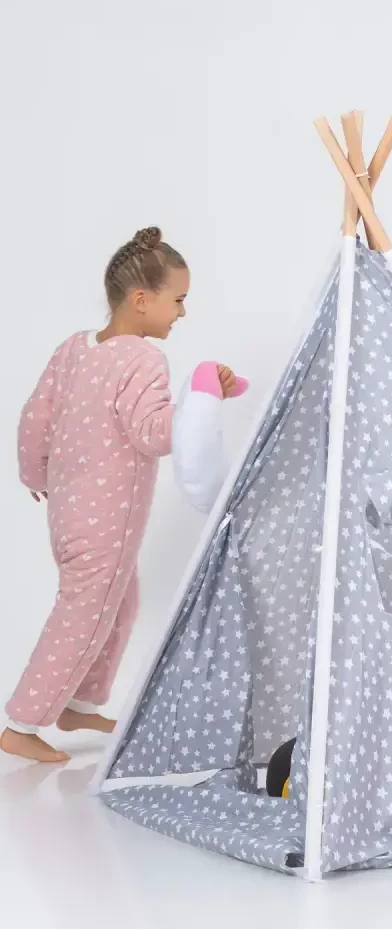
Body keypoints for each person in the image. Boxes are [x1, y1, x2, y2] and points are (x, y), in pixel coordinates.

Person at [2, 227, 239, 765]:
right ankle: (22, 722)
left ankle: (80, 704)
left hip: (67, 510)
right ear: (141, 300)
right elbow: (151, 433)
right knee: (84, 613)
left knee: (121, 602)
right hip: (107, 519)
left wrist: (34, 472)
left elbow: (35, 415)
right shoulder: (142, 360)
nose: (183, 312)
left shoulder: (74, 348)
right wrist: (202, 402)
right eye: (177, 299)